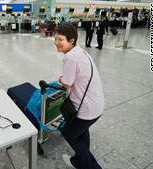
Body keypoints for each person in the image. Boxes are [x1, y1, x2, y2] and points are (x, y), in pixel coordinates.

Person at [54, 23, 104, 169]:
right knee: (82, 131)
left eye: (60, 39)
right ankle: (78, 161)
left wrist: (60, 79)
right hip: (96, 105)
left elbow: (68, 83)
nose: (56, 42)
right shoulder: (81, 52)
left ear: (71, 40)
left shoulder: (70, 57)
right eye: (55, 38)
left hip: (86, 109)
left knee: (69, 134)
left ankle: (91, 166)